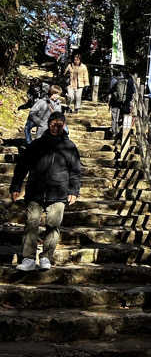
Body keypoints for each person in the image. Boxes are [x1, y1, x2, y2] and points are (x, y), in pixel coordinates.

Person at [10, 111, 81, 271]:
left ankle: (46, 258)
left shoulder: (70, 147)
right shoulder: (36, 145)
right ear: (48, 124)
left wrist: (74, 190)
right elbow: (21, 167)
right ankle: (28, 258)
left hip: (59, 192)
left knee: (53, 225)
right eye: (53, 124)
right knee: (31, 223)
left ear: (64, 126)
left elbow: (75, 171)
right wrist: (15, 187)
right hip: (35, 190)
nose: (56, 127)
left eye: (59, 125)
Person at [108, 68, 134, 137]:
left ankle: (114, 132)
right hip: (126, 102)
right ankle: (123, 133)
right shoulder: (130, 79)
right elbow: (132, 91)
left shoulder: (114, 79)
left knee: (114, 117)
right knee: (124, 117)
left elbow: (110, 89)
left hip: (115, 101)